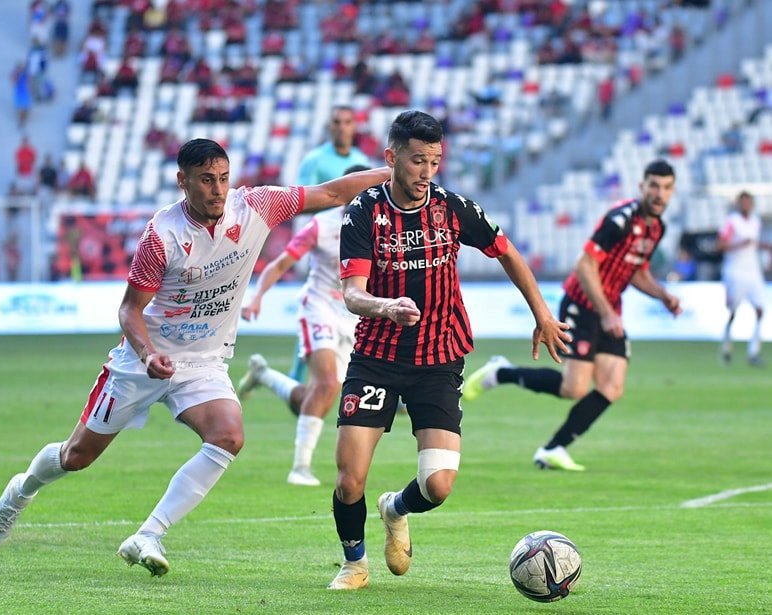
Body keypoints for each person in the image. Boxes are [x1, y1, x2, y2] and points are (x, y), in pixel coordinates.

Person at [0, 138, 390, 576]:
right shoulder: (163, 234)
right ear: (183, 182)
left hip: (203, 362)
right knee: (77, 456)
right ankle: (22, 490)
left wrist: (400, 170)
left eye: (223, 179)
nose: (217, 190)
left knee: (229, 436)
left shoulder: (256, 207)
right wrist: (146, 353)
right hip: (143, 361)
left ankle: (149, 533)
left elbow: (333, 192)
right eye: (206, 180)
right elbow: (129, 310)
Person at [326, 111, 570, 590]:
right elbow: (352, 294)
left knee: (438, 486)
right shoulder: (363, 213)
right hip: (377, 356)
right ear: (392, 157)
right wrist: (386, 306)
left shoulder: (453, 208)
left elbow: (507, 251)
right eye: (418, 161)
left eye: (435, 161)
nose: (426, 172)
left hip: (439, 358)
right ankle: (354, 563)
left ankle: (395, 508)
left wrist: (541, 312)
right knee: (350, 479)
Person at [463, 159, 682, 472]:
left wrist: (664, 296)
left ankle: (553, 448)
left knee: (611, 386)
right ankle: (502, 373)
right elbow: (585, 265)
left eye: (666, 188)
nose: (659, 194)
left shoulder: (657, 228)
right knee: (575, 388)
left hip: (609, 311)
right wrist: (606, 312)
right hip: (583, 304)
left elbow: (637, 271)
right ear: (642, 187)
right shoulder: (620, 220)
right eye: (654, 186)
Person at [238, 164, 370, 487]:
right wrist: (256, 297)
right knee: (325, 384)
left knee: (312, 400)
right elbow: (282, 262)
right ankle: (300, 467)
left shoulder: (378, 227)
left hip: (351, 315)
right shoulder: (321, 226)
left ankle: (263, 375)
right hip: (318, 307)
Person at [285, 105, 370, 383]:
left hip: (356, 239)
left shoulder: (361, 160)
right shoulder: (314, 160)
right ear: (329, 126)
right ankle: (298, 378)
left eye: (347, 122)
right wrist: (325, 224)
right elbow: (301, 200)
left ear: (354, 126)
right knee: (319, 300)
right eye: (337, 122)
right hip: (325, 239)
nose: (342, 127)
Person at [716, 191, 771, 366]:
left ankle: (753, 352)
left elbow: (753, 244)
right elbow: (720, 245)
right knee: (733, 311)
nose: (746, 206)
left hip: (753, 271)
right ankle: (726, 345)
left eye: (748, 202)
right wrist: (739, 244)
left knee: (760, 310)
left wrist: (766, 247)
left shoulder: (755, 222)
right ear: (738, 204)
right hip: (735, 271)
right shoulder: (731, 222)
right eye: (743, 202)